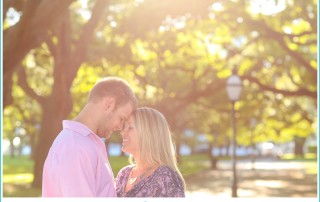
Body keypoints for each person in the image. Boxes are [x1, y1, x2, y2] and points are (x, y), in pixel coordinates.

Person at [42, 77, 137, 197]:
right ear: (109, 105)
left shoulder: (84, 143)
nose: (120, 127)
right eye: (121, 118)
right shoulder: (75, 147)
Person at [116, 107, 186, 197]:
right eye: (124, 127)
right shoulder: (124, 174)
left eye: (130, 127)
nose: (122, 132)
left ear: (148, 133)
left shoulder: (165, 176)